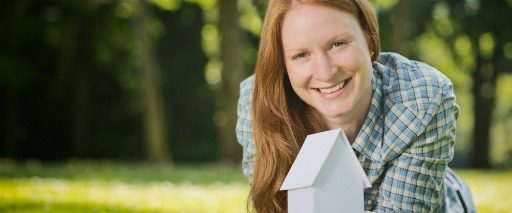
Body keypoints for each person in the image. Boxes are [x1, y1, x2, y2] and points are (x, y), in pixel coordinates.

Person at [236, 0, 476, 212]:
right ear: (283, 65)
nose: (325, 72)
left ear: (369, 39)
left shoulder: (422, 99)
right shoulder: (257, 103)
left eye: (337, 44)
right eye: (301, 55)